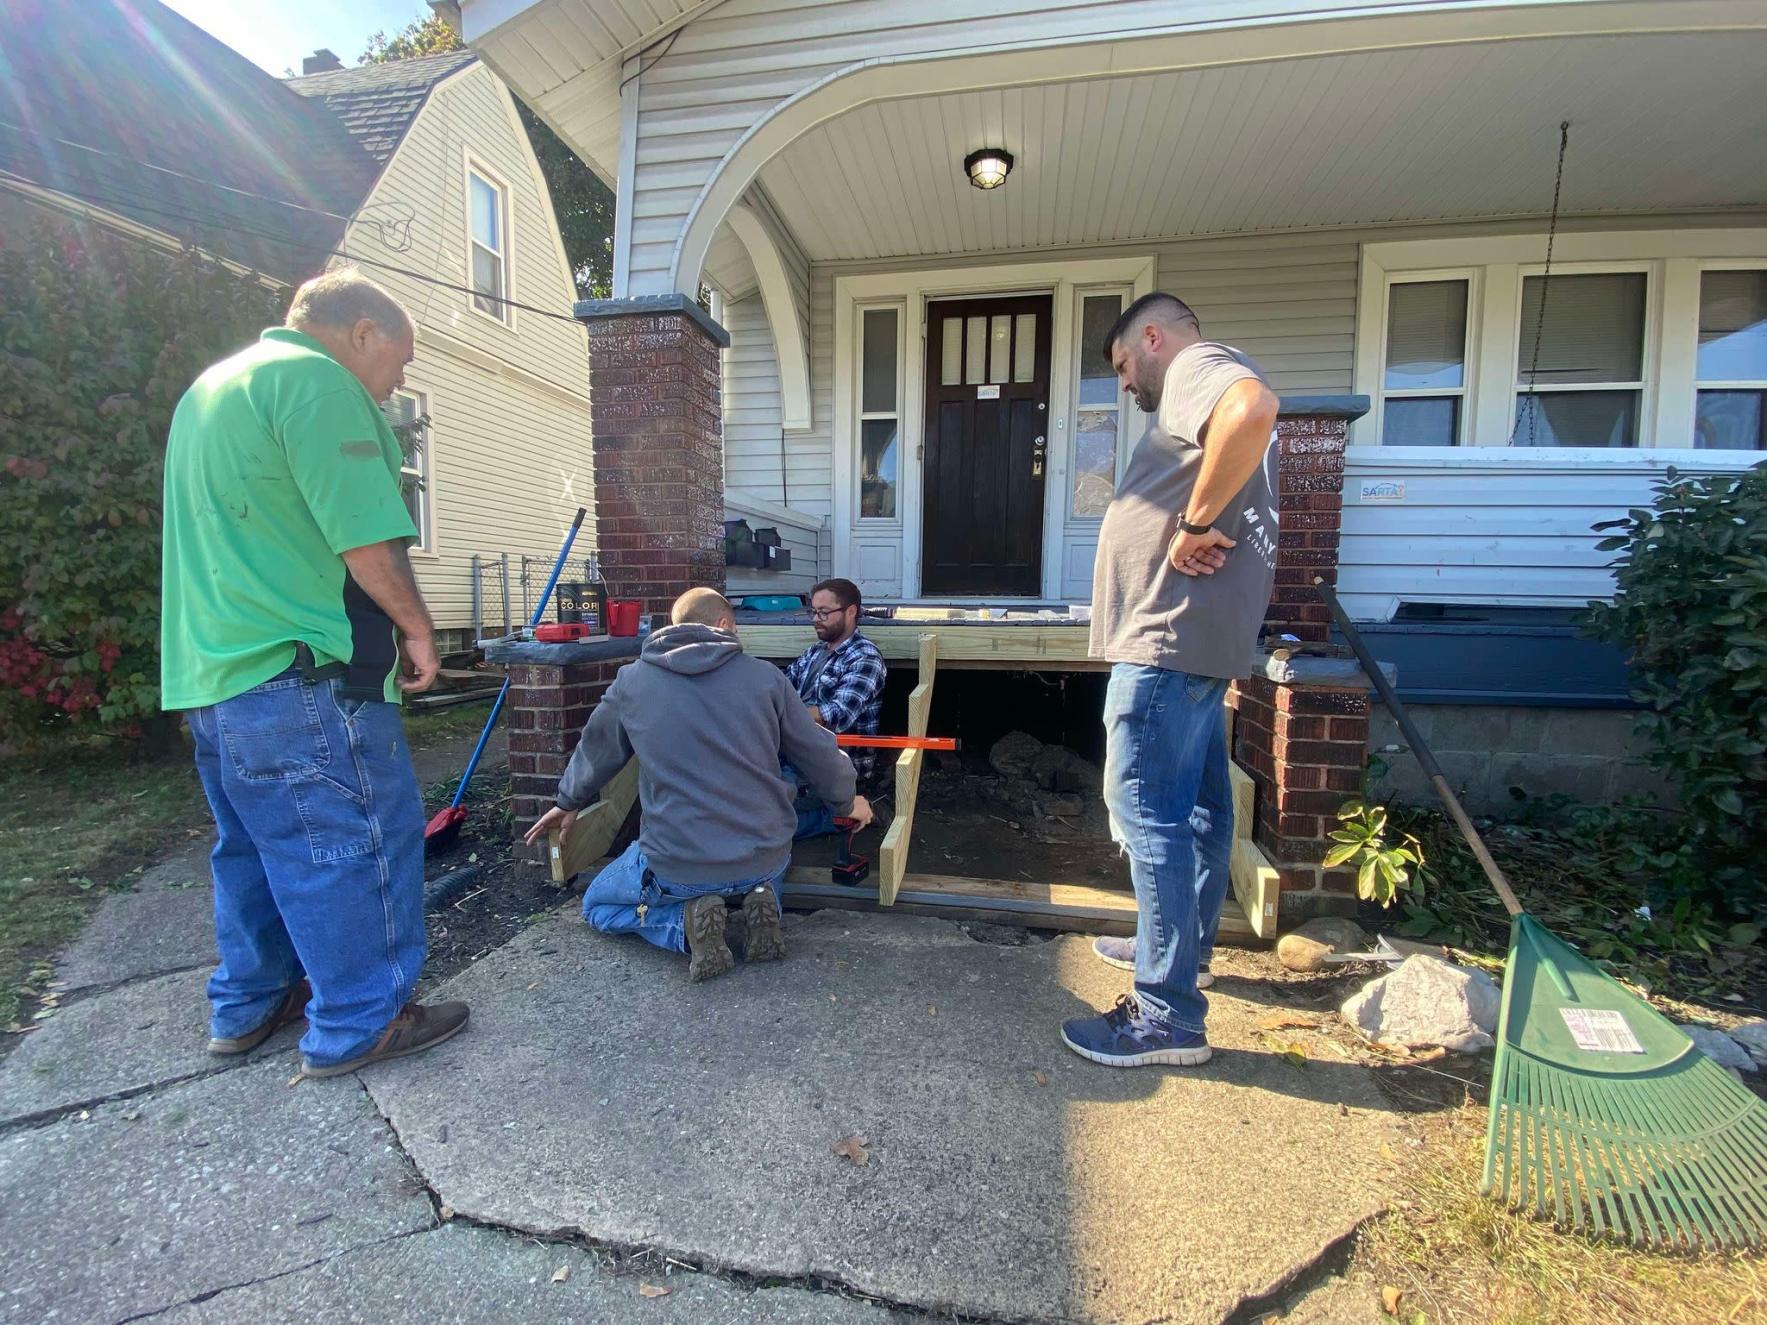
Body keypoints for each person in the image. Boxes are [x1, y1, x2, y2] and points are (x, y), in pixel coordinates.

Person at [161, 268, 468, 1079]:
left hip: (214, 675)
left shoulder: (211, 390)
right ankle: (363, 1019)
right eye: (396, 363)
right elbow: (365, 537)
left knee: (255, 845)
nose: (395, 383)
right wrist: (418, 629)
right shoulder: (319, 385)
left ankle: (251, 999)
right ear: (362, 333)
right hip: (305, 671)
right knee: (354, 837)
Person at [1061, 292, 1281, 1070]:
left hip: (1166, 639)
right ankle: (1183, 957)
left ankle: (1164, 1014)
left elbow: (1252, 409)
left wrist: (1189, 525)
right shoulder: (1201, 380)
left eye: (1123, 364)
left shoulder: (1195, 367)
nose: (1125, 383)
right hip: (1198, 641)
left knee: (1144, 811)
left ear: (1151, 338)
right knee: (1195, 812)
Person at [524, 589, 874, 982]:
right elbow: (820, 755)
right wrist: (848, 805)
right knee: (764, 867)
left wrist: (568, 801)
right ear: (724, 624)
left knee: (597, 905)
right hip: (763, 854)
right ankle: (762, 902)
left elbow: (597, 749)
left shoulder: (632, 682)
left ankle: (682, 925)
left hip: (678, 862)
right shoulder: (766, 679)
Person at [782, 578, 888, 836]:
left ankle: (851, 814)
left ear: (851, 612)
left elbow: (836, 716)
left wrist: (780, 719)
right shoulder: (813, 653)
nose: (816, 618)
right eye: (813, 612)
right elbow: (779, 689)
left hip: (835, 768)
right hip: (794, 754)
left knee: (767, 819)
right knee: (742, 803)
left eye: (824, 612)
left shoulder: (865, 658)